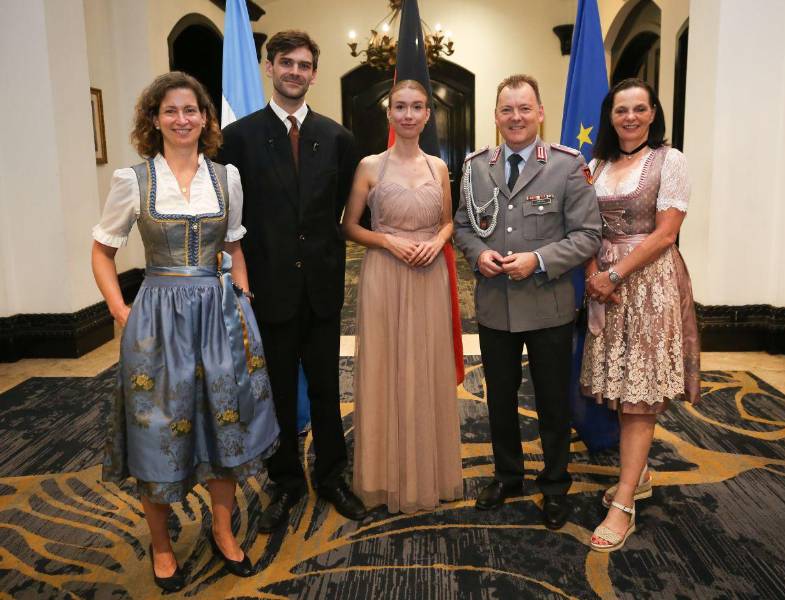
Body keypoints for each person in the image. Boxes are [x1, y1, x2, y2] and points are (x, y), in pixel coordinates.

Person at [91, 72, 280, 592]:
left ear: (204, 118)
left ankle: (221, 530)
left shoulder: (226, 177)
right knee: (155, 426)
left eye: (191, 110)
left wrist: (242, 301)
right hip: (156, 317)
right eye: (171, 111)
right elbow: (103, 251)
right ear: (155, 118)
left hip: (218, 315)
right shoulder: (134, 180)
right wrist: (119, 309)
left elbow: (234, 247)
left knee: (224, 423)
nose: (182, 120)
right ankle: (160, 544)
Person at [217, 30, 366, 532]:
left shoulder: (338, 137)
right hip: (268, 289)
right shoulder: (237, 138)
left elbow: (339, 206)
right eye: (287, 63)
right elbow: (230, 218)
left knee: (327, 389)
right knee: (277, 391)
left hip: (322, 289)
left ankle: (331, 475)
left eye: (304, 65)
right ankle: (285, 482)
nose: (295, 72)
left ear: (314, 73)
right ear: (269, 67)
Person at [453, 74, 601, 530]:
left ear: (540, 113)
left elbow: (588, 235)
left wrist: (537, 259)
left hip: (549, 305)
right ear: (496, 117)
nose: (515, 117)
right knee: (498, 399)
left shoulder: (566, 164)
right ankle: (508, 476)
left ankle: (555, 484)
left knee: (553, 402)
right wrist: (480, 255)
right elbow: (462, 225)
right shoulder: (477, 165)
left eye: (524, 109)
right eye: (506, 110)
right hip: (496, 305)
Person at [580, 77, 700, 552]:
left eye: (638, 109)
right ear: (610, 116)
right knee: (619, 382)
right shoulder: (597, 163)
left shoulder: (670, 161)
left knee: (638, 394)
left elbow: (666, 233)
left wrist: (615, 274)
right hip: (604, 284)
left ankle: (624, 500)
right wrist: (594, 273)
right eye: (620, 109)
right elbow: (585, 226)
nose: (629, 117)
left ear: (653, 114)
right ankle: (639, 471)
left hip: (648, 283)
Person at [342, 80, 463, 514]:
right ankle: (382, 476)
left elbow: (449, 221)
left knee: (425, 367)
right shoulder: (369, 165)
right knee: (386, 367)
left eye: (417, 107)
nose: (408, 114)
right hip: (384, 273)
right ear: (388, 113)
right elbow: (349, 226)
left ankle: (427, 472)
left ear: (428, 114)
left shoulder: (439, 167)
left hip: (428, 275)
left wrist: (439, 241)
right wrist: (389, 243)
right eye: (400, 107)